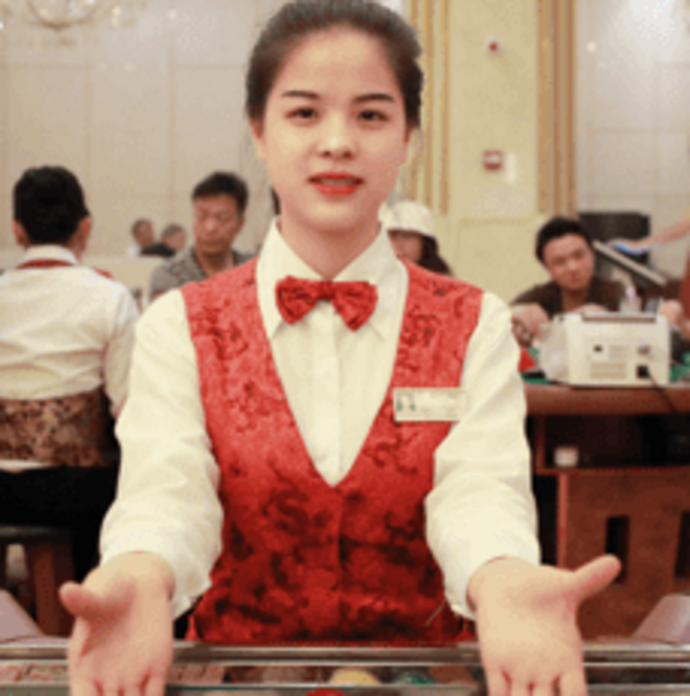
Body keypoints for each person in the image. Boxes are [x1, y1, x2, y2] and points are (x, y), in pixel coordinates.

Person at [61, 3, 620, 696]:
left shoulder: (474, 321)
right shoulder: (180, 323)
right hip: (242, 681)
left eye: (371, 115)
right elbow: (167, 487)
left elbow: (479, 487)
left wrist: (504, 577)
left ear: (409, 137)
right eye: (304, 113)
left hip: (419, 680)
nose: (337, 142)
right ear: (259, 131)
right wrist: (141, 572)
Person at [0, 166, 139, 581]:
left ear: (17, 230)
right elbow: (129, 406)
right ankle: (75, 599)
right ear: (85, 228)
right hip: (74, 493)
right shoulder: (110, 297)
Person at [511, 217, 626, 345]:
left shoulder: (618, 293)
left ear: (592, 253)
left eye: (579, 255)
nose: (572, 268)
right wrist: (519, 314)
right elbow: (502, 315)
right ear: (546, 266)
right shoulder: (539, 298)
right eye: (560, 262)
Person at [148, 172, 254, 300]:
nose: (210, 228)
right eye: (201, 216)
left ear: (240, 224)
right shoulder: (169, 275)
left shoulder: (256, 271)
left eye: (222, 218)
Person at [380, 199, 453, 275]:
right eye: (392, 236)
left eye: (406, 236)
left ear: (425, 243)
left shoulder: (441, 278)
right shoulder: (376, 274)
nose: (399, 245)